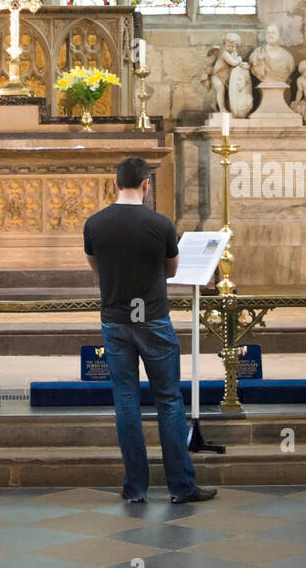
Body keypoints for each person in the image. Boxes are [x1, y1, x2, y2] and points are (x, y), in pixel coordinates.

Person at [83, 157, 216, 506]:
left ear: (115, 183)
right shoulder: (160, 224)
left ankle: (135, 489)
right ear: (146, 185)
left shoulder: (95, 224)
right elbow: (171, 271)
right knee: (169, 400)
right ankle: (181, 487)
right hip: (153, 319)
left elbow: (96, 268)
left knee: (126, 402)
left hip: (115, 320)